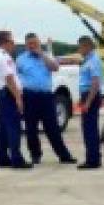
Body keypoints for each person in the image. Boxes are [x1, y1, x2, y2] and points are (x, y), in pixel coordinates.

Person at [16, 33, 75, 165]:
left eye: (35, 43)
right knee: (31, 128)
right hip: (29, 96)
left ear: (39, 43)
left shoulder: (46, 56)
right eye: (30, 44)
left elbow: (55, 67)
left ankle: (63, 155)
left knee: (52, 127)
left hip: (46, 96)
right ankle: (35, 155)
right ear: (26, 45)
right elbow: (17, 78)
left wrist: (42, 55)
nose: (33, 46)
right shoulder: (21, 59)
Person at [0, 32, 31, 169]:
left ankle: (2, 157)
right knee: (14, 127)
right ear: (5, 42)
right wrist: (18, 97)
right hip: (8, 94)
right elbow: (9, 78)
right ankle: (16, 159)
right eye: (12, 42)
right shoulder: (4, 57)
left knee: (3, 128)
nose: (13, 45)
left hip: (0, 94)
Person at [68, 35, 104, 170]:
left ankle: (93, 160)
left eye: (80, 46)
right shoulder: (88, 60)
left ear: (87, 46)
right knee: (89, 128)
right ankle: (93, 157)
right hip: (87, 95)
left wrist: (88, 102)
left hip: (91, 96)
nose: (79, 49)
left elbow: (95, 82)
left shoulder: (93, 61)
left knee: (90, 129)